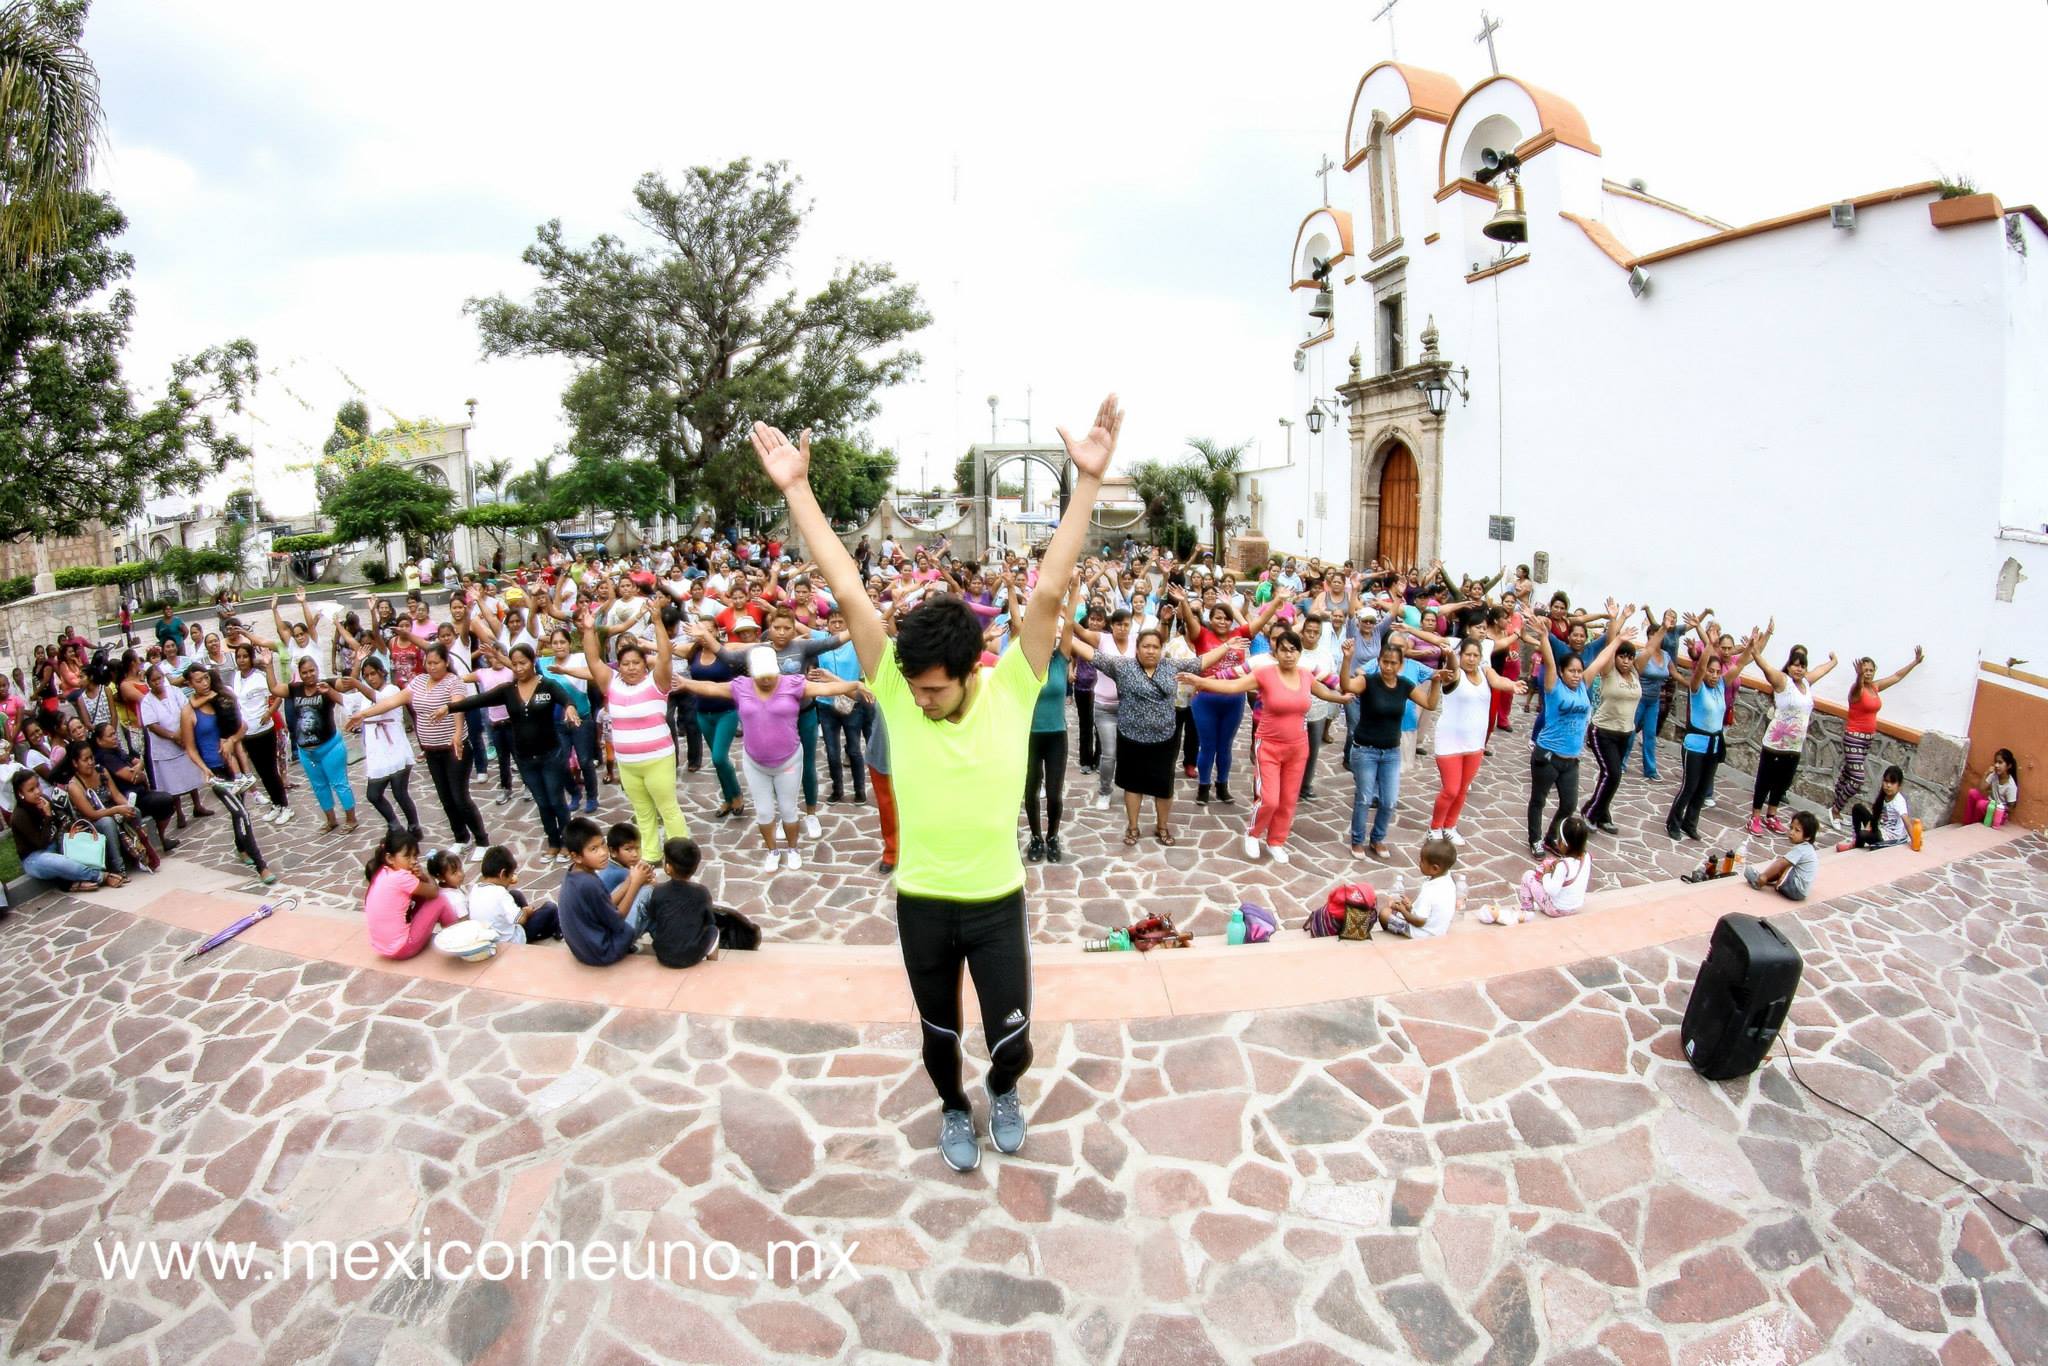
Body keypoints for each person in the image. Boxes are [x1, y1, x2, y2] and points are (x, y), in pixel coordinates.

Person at [752, 393, 1118, 1173]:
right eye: (911, 689)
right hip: (922, 899)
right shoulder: (896, 684)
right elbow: (849, 587)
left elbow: (1049, 593)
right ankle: (955, 1107)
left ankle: (1005, 1089)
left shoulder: (1014, 686)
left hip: (995, 901)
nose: (917, 701)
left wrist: (1085, 482)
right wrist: (796, 491)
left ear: (968, 674)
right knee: (938, 1032)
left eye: (934, 691)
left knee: (1011, 1029)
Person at [666, 645, 861, 870]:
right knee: (765, 811)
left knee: (788, 809)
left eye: (770, 676)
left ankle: (793, 848)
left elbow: (826, 689)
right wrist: (686, 683)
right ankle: (772, 850)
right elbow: (712, 688)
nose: (766, 681)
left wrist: (854, 684)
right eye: (761, 677)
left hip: (788, 760)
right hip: (755, 762)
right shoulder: (740, 687)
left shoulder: (793, 684)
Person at [1180, 626, 1348, 864]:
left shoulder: (1305, 675)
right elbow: (1232, 686)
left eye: (1293, 650)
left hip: (1298, 748)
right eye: (1284, 650)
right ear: (1275, 652)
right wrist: (1201, 681)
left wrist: (1341, 698)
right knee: (1269, 799)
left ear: (1299, 653)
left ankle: (1276, 841)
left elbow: (1323, 692)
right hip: (1268, 745)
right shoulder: (1265, 673)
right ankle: (1253, 833)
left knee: (1288, 799)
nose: (1289, 654)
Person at [436, 645, 583, 868]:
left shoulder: (547, 685)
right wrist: (449, 707)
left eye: (523, 662)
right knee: (542, 803)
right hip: (525, 759)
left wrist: (570, 709)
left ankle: (567, 843)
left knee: (555, 800)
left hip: (550, 755)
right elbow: (478, 700)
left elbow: (566, 699)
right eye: (515, 664)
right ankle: (553, 842)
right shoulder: (508, 690)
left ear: (533, 662)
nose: (519, 668)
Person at [346, 644, 491, 857]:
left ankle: (482, 841)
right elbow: (390, 702)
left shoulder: (454, 682)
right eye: (428, 663)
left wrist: (458, 733)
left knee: (460, 796)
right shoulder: (419, 682)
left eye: (436, 663)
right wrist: (364, 714)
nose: (431, 667)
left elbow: (458, 707)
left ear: (445, 663)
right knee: (445, 797)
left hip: (454, 748)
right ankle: (461, 837)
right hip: (432, 750)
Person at [577, 605, 690, 850]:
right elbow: (593, 660)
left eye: (636, 663)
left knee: (667, 808)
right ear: (619, 665)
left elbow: (665, 656)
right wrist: (588, 630)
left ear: (644, 664)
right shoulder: (611, 683)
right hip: (628, 763)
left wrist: (657, 621)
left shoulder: (657, 682)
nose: (630, 667)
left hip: (657, 759)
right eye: (625, 663)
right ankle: (650, 853)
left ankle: (680, 852)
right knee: (642, 811)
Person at [1333, 637, 1447, 861]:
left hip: (1391, 752)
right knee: (1365, 798)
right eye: (1385, 661)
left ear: (1400, 663)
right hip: (1365, 749)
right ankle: (1357, 841)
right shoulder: (1369, 681)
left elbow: (1430, 704)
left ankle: (1377, 838)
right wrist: (1347, 660)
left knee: (1389, 800)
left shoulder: (1405, 685)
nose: (1389, 666)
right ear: (1379, 661)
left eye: (1394, 663)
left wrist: (1436, 682)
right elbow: (1347, 685)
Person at [1428, 635, 1524, 845]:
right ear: (1461, 655)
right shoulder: (1454, 674)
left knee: (1462, 789)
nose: (1471, 659)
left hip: (1475, 743)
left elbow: (1499, 680)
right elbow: (1452, 666)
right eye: (1467, 655)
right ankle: (1435, 827)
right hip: (1449, 742)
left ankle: (1450, 826)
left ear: (1481, 657)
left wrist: (1512, 685)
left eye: (1475, 655)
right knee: (1451, 789)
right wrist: (1451, 655)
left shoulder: (1484, 671)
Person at [1580, 616, 1670, 833]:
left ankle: (1603, 814)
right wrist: (1617, 621)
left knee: (1611, 776)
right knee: (1613, 774)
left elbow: (1649, 648)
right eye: (1623, 657)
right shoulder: (1609, 671)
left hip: (1624, 733)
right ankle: (1589, 813)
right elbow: (1610, 645)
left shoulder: (1636, 673)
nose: (1627, 661)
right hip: (1602, 732)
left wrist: (1665, 628)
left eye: (1630, 657)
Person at [1665, 619, 1752, 843]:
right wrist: (1710, 646)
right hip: (1695, 743)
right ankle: (1673, 822)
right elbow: (1701, 667)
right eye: (1710, 672)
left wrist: (1754, 645)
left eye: (1716, 672)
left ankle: (1690, 823)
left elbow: (1740, 664)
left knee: (1702, 789)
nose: (1713, 675)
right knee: (1689, 786)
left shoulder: (1722, 684)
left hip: (1714, 744)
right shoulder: (1697, 687)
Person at [1747, 636, 1838, 835]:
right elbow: (1767, 668)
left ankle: (1771, 815)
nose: (1798, 669)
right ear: (1789, 666)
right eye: (1795, 665)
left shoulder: (1806, 682)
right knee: (1765, 780)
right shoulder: (1783, 681)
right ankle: (1755, 817)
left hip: (1795, 745)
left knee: (1782, 782)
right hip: (1775, 743)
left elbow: (1820, 671)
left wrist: (1833, 661)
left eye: (1802, 666)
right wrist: (1754, 652)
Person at [1829, 648, 1924, 828]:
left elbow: (1896, 676)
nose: (1868, 673)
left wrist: (1915, 662)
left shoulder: (1874, 687)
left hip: (1867, 739)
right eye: (1865, 670)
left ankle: (1836, 809)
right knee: (1857, 778)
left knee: (1848, 774)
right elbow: (1857, 687)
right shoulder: (1857, 690)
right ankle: (1835, 809)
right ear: (1860, 672)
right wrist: (1858, 677)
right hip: (1853, 738)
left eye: (1871, 670)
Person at [342, 657, 424, 842]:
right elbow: (345, 698)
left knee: (400, 793)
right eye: (366, 676)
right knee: (373, 794)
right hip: (378, 752)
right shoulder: (364, 696)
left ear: (381, 672)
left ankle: (414, 826)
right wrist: (327, 690)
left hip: (395, 749)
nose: (370, 679)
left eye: (373, 674)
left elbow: (380, 700)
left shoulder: (392, 690)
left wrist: (357, 684)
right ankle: (394, 824)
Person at [556, 815, 652, 966]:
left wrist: (629, 882)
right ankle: (673, 947)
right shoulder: (589, 883)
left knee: (639, 891)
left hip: (583, 951)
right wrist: (635, 884)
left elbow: (605, 904)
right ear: (577, 856)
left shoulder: (575, 874)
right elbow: (618, 920)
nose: (603, 852)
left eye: (602, 844)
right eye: (593, 849)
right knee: (648, 892)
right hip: (604, 952)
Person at [10, 770, 121, 890]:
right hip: (35, 857)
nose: (38, 792)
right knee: (58, 862)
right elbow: (40, 843)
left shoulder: (44, 800)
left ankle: (70, 884)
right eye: (31, 790)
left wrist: (71, 829)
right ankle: (101, 877)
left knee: (83, 847)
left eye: (37, 786)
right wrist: (47, 816)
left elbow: (61, 821)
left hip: (56, 844)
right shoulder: (19, 816)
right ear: (20, 793)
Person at [285, 656, 359, 836]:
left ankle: (351, 819)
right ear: (299, 674)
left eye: (312, 670)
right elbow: (273, 689)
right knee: (319, 786)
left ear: (318, 669)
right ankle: (331, 820)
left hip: (330, 747)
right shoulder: (295, 689)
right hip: (307, 752)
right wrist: (267, 665)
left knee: (340, 783)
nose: (309, 675)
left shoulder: (328, 684)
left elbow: (349, 685)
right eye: (304, 672)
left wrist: (357, 661)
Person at [362, 831, 463, 960]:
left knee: (421, 895)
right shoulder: (401, 877)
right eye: (407, 857)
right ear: (390, 858)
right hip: (403, 948)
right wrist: (423, 875)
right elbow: (434, 892)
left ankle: (449, 932)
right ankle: (457, 937)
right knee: (439, 899)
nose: (413, 861)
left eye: (415, 857)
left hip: (383, 948)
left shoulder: (382, 871)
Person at [138, 664, 213, 825]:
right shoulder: (147, 701)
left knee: (190, 774)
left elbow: (186, 710)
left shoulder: (175, 691)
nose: (157, 682)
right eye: (153, 680)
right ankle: (179, 812)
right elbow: (153, 725)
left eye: (160, 678)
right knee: (172, 783)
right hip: (164, 746)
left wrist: (182, 734)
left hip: (183, 737)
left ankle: (197, 805)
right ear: (148, 683)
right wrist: (173, 736)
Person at [648, 836, 721, 968]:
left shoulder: (658, 891)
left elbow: (653, 916)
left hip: (663, 956)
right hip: (692, 957)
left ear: (668, 868)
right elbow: (709, 921)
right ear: (695, 867)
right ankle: (713, 967)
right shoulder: (702, 892)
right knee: (713, 930)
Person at [469, 846, 562, 945]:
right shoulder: (501, 894)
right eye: (511, 875)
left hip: (490, 937)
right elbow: (521, 920)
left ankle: (535, 921)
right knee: (550, 907)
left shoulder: (475, 888)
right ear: (502, 874)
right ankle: (556, 930)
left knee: (515, 894)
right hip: (511, 941)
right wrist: (526, 912)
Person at [1377, 837, 1458, 938]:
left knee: (1384, 913)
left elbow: (1420, 922)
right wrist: (1410, 908)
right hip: (1438, 930)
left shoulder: (1430, 891)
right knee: (1395, 912)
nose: (1419, 863)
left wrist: (1402, 910)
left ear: (1435, 868)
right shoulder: (1448, 882)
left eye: (1422, 861)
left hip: (1422, 934)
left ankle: (1397, 936)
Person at [1518, 814, 1593, 917]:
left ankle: (1526, 910)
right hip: (1577, 906)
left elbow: (1551, 890)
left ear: (1563, 843)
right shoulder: (1587, 856)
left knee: (1528, 876)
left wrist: (1547, 873)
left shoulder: (1563, 866)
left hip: (1557, 909)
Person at [1746, 810, 1820, 900]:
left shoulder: (1801, 849)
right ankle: (1765, 878)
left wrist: (1765, 876)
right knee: (1788, 864)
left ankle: (1758, 881)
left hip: (1795, 889)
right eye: (1791, 828)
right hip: (1800, 892)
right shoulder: (1807, 848)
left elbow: (1781, 863)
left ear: (1808, 837)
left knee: (1785, 864)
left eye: (1797, 830)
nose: (1791, 832)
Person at [1840, 765, 1912, 852]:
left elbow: (1906, 821)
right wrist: (1868, 827)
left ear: (1899, 785)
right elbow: (1875, 816)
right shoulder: (1883, 796)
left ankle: (1857, 842)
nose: (1888, 785)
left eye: (1892, 783)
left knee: (1863, 834)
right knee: (1858, 808)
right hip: (1880, 829)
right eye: (1886, 781)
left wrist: (1914, 840)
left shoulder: (1899, 801)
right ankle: (1857, 842)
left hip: (1890, 838)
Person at [1963, 748, 2019, 825]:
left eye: (2000, 762)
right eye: (1996, 762)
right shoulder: (1994, 774)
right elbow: (1981, 788)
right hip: (1989, 804)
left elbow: (2011, 808)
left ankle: (1974, 825)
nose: (1996, 765)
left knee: (1981, 804)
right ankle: (1967, 823)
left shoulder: (2011, 786)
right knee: (1972, 792)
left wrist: (1997, 806)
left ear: (2009, 766)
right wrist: (1986, 773)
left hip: (1999, 813)